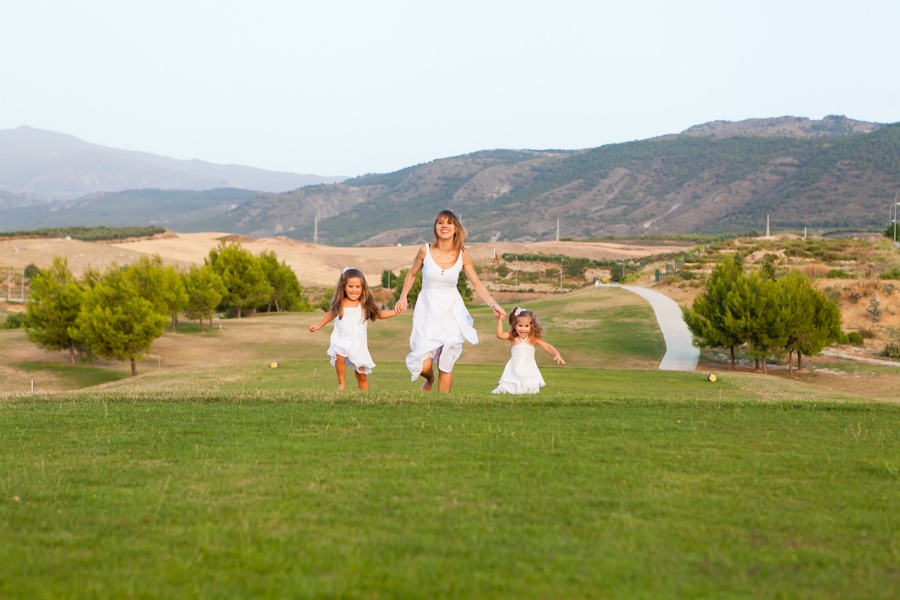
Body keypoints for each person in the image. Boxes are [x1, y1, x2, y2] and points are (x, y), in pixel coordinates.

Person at [394, 210, 506, 392]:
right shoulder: (425, 250)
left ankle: (443, 405)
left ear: (455, 229)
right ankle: (429, 379)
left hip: (451, 310)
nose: (444, 226)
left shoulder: (462, 254)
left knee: (446, 361)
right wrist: (403, 296)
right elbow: (412, 274)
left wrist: (493, 304)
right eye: (440, 222)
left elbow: (477, 284)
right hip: (427, 309)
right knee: (424, 365)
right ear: (435, 228)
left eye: (449, 223)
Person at [310, 267, 399, 391]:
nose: (354, 290)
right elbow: (331, 314)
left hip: (358, 344)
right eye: (350, 286)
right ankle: (341, 382)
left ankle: (364, 396)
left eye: (358, 287)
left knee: (361, 375)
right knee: (339, 354)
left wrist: (395, 311)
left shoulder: (364, 305)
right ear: (344, 287)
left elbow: (379, 314)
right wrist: (319, 325)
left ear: (363, 288)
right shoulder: (340, 303)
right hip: (343, 338)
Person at [492, 306, 565, 394]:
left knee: (529, 387)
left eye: (526, 326)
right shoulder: (513, 337)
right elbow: (499, 335)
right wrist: (500, 321)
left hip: (529, 367)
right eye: (520, 326)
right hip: (514, 366)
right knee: (510, 383)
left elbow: (547, 346)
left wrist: (556, 354)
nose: (523, 329)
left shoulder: (533, 338)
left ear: (531, 326)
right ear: (515, 326)